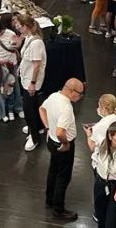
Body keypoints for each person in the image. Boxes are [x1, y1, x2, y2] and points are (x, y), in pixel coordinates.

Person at [39, 78, 85, 221]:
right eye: (80, 93)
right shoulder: (66, 108)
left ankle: (49, 199)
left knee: (53, 171)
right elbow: (60, 132)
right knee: (63, 177)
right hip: (62, 144)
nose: (81, 96)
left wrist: (48, 127)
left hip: (51, 141)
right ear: (71, 91)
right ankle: (58, 210)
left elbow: (41, 109)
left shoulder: (54, 96)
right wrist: (65, 144)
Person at [15, 13, 47, 151]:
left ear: (26, 26)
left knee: (29, 109)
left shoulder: (36, 43)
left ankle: (34, 138)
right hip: (26, 78)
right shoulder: (29, 37)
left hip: (31, 81)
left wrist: (32, 83)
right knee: (33, 106)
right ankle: (37, 126)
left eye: (19, 25)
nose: (17, 27)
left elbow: (36, 64)